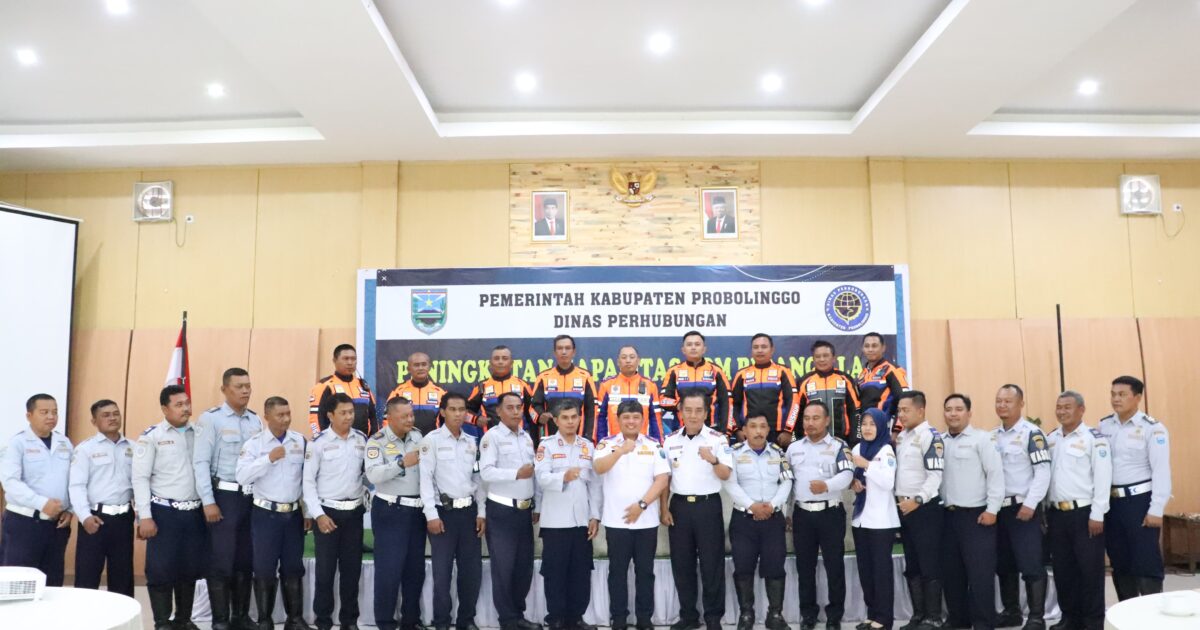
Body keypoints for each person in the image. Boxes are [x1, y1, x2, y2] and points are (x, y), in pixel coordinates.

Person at [193, 367, 262, 630]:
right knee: (221, 561)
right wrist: (208, 501)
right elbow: (201, 462)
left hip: (250, 498)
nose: (245, 391)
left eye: (248, 386)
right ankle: (220, 620)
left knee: (245, 560)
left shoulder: (255, 420)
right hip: (223, 497)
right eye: (239, 386)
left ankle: (240, 617)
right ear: (224, 389)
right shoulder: (211, 419)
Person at [236, 396, 313, 630]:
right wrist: (268, 459)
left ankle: (294, 619)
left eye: (288, 414)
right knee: (264, 568)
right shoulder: (254, 444)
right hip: (265, 516)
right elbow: (242, 477)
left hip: (293, 515)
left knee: (293, 568)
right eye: (280, 415)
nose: (286, 419)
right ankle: (265, 620)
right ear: (267, 416)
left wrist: (308, 512)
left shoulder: (299, 441)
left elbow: (307, 480)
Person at [134, 385, 207, 630]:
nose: (186, 408)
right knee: (161, 571)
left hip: (194, 513)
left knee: (189, 569)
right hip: (164, 513)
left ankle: (183, 619)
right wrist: (144, 517)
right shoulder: (152, 436)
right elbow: (140, 478)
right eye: (179, 404)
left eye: (187, 403)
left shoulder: (200, 433)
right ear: (165, 409)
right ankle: (162, 622)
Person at [594, 400, 671, 630]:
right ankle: (618, 618)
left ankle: (644, 619)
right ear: (618, 420)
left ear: (642, 420)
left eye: (636, 417)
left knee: (645, 572)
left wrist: (642, 505)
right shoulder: (607, 444)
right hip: (616, 522)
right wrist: (620, 451)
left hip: (646, 521)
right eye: (626, 417)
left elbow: (662, 479)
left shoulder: (653, 445)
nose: (631, 421)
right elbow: (598, 468)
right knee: (617, 572)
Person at [662, 391, 733, 630]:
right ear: (681, 412)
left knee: (712, 564)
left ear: (706, 412)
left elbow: (726, 474)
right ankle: (688, 616)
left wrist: (713, 460)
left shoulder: (718, 439)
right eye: (688, 410)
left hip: (708, 506)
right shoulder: (670, 440)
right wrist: (663, 508)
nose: (693, 415)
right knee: (682, 564)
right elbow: (665, 478)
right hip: (679, 507)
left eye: (698, 410)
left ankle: (713, 617)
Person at [1098, 375, 1171, 601]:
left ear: (1137, 397)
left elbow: (1161, 470)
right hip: (1112, 503)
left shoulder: (1153, 428)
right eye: (1113, 394)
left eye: (1122, 394)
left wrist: (1156, 508)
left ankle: (1152, 612)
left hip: (1140, 502)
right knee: (1119, 560)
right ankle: (1126, 612)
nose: (1116, 399)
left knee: (1146, 560)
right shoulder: (1104, 426)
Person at [420, 392, 486, 630]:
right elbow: (425, 480)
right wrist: (431, 515)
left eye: (462, 410)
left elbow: (478, 479)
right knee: (442, 574)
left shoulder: (472, 442)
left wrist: (481, 512)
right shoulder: (431, 441)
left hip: (469, 513)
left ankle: (466, 620)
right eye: (453, 409)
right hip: (443, 514)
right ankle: (441, 622)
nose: (458, 414)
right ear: (442, 412)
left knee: (471, 572)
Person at [303, 393, 368, 630]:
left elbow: (368, 473)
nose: (349, 417)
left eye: (351, 412)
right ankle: (323, 621)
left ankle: (349, 621)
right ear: (330, 415)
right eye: (343, 413)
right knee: (325, 572)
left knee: (352, 572)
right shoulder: (318, 443)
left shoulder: (361, 439)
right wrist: (318, 515)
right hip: (327, 513)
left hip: (354, 514)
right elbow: (308, 482)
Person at [786, 400, 854, 630]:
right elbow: (788, 483)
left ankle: (834, 616)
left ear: (827, 420)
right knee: (805, 568)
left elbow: (847, 475)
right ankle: (808, 615)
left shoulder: (838, 446)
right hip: (802, 515)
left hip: (830, 514)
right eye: (806, 418)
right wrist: (787, 512)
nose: (810, 423)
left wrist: (826, 485)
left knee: (834, 566)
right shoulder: (793, 448)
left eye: (815, 418)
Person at [1046, 391, 1110, 630]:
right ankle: (1069, 618)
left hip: (1085, 514)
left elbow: (1103, 478)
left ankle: (1092, 622)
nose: (1062, 411)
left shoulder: (1095, 439)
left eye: (1067, 407)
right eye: (1059, 407)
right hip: (1057, 515)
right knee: (1063, 570)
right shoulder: (1051, 439)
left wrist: (1097, 514)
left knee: (1090, 571)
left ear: (1081, 410)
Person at [535, 400, 602, 630]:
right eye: (565, 417)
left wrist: (595, 516)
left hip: (581, 521)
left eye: (574, 417)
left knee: (581, 573)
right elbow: (541, 478)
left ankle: (576, 618)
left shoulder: (588, 446)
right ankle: (556, 619)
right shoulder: (547, 446)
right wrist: (563, 477)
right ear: (555, 420)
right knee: (555, 573)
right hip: (556, 522)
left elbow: (594, 485)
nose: (570, 421)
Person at [939, 394, 1003, 630]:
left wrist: (992, 509)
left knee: (980, 574)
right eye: (948, 409)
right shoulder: (939, 442)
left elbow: (995, 475)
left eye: (958, 409)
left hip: (977, 516)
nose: (953, 414)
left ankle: (984, 623)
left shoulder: (982, 439)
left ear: (969, 413)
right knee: (952, 573)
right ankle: (958, 620)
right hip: (948, 516)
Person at [480, 392, 542, 630]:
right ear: (499, 411)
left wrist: (536, 503)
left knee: (523, 567)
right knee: (504, 568)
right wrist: (516, 473)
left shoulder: (526, 437)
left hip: (524, 511)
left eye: (519, 407)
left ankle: (518, 615)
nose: (516, 412)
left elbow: (533, 473)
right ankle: (507, 620)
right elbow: (486, 472)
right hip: (501, 511)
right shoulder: (492, 437)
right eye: (510, 407)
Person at [724, 414, 791, 630]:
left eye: (763, 426)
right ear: (744, 430)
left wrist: (772, 505)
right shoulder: (734, 453)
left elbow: (787, 482)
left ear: (769, 429)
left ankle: (775, 615)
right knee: (743, 567)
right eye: (753, 426)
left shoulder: (779, 453)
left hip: (773, 519)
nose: (758, 431)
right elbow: (730, 484)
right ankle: (746, 615)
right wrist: (752, 506)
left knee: (775, 566)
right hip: (744, 520)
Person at [991, 385, 1050, 630]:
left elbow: (1043, 472)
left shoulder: (1032, 434)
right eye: (999, 401)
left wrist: (1030, 504)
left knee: (1031, 564)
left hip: (1023, 509)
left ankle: (1036, 617)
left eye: (1008, 401)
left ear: (1021, 404)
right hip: (999, 510)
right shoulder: (992, 436)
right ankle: (1011, 612)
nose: (1002, 405)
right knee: (1004, 564)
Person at [366, 397, 427, 630]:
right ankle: (385, 622)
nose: (410, 420)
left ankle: (411, 621)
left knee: (415, 570)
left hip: (417, 511)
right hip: (390, 511)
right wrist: (400, 464)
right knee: (389, 571)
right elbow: (373, 475)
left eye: (411, 415)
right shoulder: (377, 441)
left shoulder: (419, 437)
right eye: (404, 416)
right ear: (389, 418)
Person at [1, 393, 73, 585]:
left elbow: (73, 480)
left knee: (52, 583)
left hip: (56, 525)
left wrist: (70, 509)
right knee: (18, 582)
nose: (51, 416)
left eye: (55, 412)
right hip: (24, 523)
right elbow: (11, 482)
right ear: (29, 416)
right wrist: (42, 504)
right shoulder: (17, 443)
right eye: (44, 412)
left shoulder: (64, 443)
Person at [69, 399, 134, 597]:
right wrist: (85, 517)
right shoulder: (85, 449)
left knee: (122, 578)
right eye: (105, 415)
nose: (112, 418)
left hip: (123, 519)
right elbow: (76, 486)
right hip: (95, 519)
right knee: (87, 579)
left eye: (115, 413)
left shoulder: (134, 447)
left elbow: (140, 484)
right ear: (94, 421)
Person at [893, 391, 945, 630]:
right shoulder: (902, 437)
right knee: (912, 564)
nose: (901, 415)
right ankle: (918, 615)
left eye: (906, 410)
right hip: (905, 509)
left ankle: (933, 617)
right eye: (899, 411)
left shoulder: (930, 436)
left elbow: (935, 476)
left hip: (924, 509)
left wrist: (917, 500)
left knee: (929, 563)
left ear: (921, 410)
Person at [850, 409, 901, 630]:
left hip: (881, 521)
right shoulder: (857, 449)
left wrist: (867, 465)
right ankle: (872, 615)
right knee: (866, 571)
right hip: (860, 519)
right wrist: (854, 483)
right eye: (864, 424)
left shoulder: (886, 449)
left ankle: (884, 618)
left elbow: (888, 482)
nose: (868, 428)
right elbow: (855, 476)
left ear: (881, 427)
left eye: (872, 424)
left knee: (881, 572)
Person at [730, 333, 798, 446]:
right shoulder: (742, 374)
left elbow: (794, 402)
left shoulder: (783, 372)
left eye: (764, 347)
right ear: (751, 351)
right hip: (749, 432)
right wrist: (737, 429)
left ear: (772, 350)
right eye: (756, 347)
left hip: (778, 433)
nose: (760, 350)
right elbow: (733, 405)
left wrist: (788, 430)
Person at [789, 340, 861, 446]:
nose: (822, 359)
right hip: (811, 442)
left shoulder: (845, 379)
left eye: (826, 356)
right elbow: (796, 413)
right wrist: (796, 439)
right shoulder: (804, 382)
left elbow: (856, 411)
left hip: (841, 441)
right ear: (813, 359)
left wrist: (856, 440)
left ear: (833, 358)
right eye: (818, 356)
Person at [660, 331, 731, 434]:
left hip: (711, 430)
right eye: (689, 344)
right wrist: (679, 404)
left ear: (704, 349)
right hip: (682, 430)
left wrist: (726, 431)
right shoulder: (674, 371)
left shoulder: (716, 371)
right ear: (683, 350)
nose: (693, 348)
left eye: (697, 344)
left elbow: (727, 402)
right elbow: (663, 399)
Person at [531, 335, 598, 442]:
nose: (563, 352)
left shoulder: (585, 377)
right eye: (560, 348)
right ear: (554, 352)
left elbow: (592, 411)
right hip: (550, 440)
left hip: (579, 440)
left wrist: (589, 438)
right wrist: (539, 416)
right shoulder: (543, 377)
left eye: (567, 348)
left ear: (574, 352)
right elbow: (532, 407)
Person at [596, 344, 664, 443]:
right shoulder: (606, 385)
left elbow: (655, 419)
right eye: (624, 357)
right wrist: (601, 443)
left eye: (632, 357)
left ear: (638, 361)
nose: (628, 360)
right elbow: (600, 418)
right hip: (614, 444)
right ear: (618, 362)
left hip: (643, 444)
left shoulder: (650, 385)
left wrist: (658, 444)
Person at [310, 343, 378, 437]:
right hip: (334, 442)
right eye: (346, 359)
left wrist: (373, 440)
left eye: (353, 359)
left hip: (362, 442)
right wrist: (321, 440)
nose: (350, 362)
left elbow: (373, 417)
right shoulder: (325, 386)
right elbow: (315, 418)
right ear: (334, 361)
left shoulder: (363, 385)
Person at [467, 345, 533, 432]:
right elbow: (464, 412)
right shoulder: (482, 386)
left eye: (505, 358)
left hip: (517, 437)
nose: (500, 362)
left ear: (511, 363)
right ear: (490, 363)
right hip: (491, 437)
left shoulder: (523, 385)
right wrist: (475, 419)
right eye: (496, 358)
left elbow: (533, 413)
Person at [387, 351, 447, 436]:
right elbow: (387, 419)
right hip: (405, 442)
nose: (420, 368)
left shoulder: (440, 393)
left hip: (432, 441)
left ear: (429, 367)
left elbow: (447, 423)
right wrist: (392, 439)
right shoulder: (398, 392)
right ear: (408, 369)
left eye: (424, 364)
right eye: (416, 365)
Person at [856, 332, 908, 419]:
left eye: (874, 346)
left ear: (883, 348)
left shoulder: (893, 370)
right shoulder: (862, 375)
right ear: (862, 349)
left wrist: (896, 426)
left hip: (886, 424)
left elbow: (904, 400)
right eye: (867, 346)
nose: (870, 349)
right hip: (866, 424)